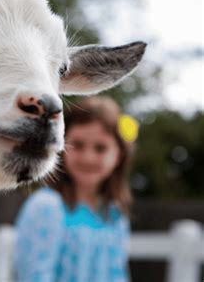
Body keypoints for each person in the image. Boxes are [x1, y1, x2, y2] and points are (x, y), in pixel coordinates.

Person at [14, 96, 139, 282]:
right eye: (78, 145)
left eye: (100, 148)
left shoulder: (114, 214)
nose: (88, 157)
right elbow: (35, 275)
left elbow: (117, 274)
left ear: (119, 155)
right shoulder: (47, 206)